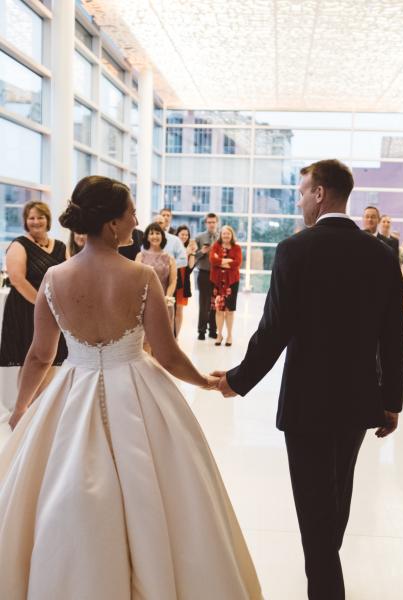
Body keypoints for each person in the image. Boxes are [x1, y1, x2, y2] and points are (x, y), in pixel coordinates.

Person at [0, 175, 262, 600]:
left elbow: (39, 356)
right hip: (138, 390)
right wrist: (209, 385)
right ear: (111, 226)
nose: (137, 220)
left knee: (60, 493)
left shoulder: (54, 278)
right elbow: (168, 353)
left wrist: (22, 406)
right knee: (164, 494)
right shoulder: (141, 276)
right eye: (131, 214)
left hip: (73, 388)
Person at [213, 159, 403, 600]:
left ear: (320, 194)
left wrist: (238, 380)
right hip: (360, 400)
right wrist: (391, 400)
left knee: (315, 509)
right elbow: (393, 338)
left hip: (308, 403)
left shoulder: (294, 250)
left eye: (302, 192)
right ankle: (327, 576)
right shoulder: (380, 254)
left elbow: (274, 329)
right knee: (335, 500)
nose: (298, 200)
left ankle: (325, 590)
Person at [0, 201, 67, 398]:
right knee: (33, 361)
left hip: (54, 311)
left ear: (48, 220)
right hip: (26, 309)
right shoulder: (19, 244)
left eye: (40, 217)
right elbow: (17, 280)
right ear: (25, 221)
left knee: (52, 358)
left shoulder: (61, 246)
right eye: (31, 217)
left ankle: (41, 410)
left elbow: (68, 276)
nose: (36, 221)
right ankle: (25, 411)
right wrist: (43, 305)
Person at [135, 222, 177, 327]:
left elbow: (173, 281)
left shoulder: (169, 258)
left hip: (164, 301)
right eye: (152, 233)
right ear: (147, 237)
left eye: (158, 233)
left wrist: (167, 297)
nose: (155, 236)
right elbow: (136, 280)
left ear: (162, 236)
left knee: (163, 336)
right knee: (144, 339)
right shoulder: (140, 256)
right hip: (144, 301)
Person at [209, 225, 242, 347]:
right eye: (224, 233)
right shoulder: (216, 246)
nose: (226, 235)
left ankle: (229, 335)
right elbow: (212, 260)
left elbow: (237, 263)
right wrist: (228, 261)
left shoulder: (237, 248)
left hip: (231, 282)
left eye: (228, 233)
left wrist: (221, 261)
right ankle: (219, 335)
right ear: (220, 235)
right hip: (217, 282)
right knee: (218, 310)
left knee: (229, 310)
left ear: (232, 235)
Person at [195, 213, 219, 340]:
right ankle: (201, 331)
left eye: (213, 222)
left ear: (217, 223)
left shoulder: (222, 237)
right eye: (209, 222)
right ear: (205, 223)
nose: (211, 224)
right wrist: (202, 252)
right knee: (203, 303)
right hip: (204, 273)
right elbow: (193, 257)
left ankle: (213, 330)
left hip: (218, 275)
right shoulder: (199, 238)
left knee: (215, 303)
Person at [174, 225, 197, 338]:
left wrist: (192, 253)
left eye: (186, 235)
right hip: (173, 281)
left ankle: (176, 336)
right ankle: (168, 335)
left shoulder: (188, 248)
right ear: (177, 234)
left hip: (184, 282)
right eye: (182, 234)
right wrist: (186, 252)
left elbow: (191, 266)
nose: (184, 236)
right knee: (170, 310)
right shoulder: (173, 247)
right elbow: (174, 263)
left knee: (179, 310)